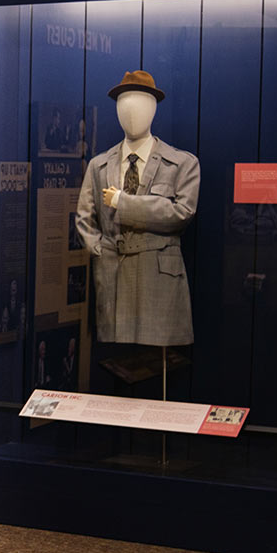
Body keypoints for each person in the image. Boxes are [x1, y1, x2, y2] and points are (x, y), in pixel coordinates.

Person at [75, 70, 200, 346]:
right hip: (113, 278)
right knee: (112, 365)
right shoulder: (99, 165)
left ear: (153, 110)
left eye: (140, 105)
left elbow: (181, 213)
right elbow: (84, 218)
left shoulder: (182, 164)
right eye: (124, 106)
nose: (131, 113)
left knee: (159, 368)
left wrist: (123, 202)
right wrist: (100, 252)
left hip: (158, 282)